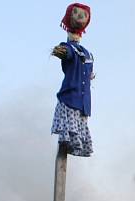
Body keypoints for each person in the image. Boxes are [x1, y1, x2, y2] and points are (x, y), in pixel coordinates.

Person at [51, 3, 94, 157]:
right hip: (71, 100)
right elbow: (66, 52)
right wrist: (60, 51)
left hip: (82, 104)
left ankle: (69, 147)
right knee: (67, 136)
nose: (80, 17)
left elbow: (88, 73)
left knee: (74, 135)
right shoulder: (69, 48)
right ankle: (66, 148)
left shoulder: (87, 53)